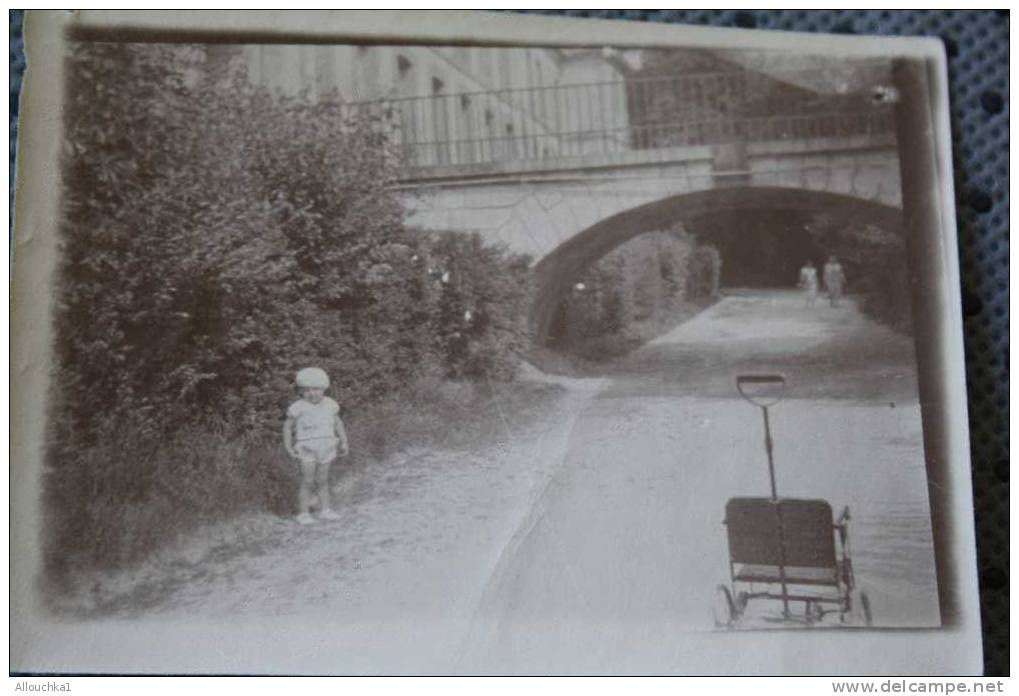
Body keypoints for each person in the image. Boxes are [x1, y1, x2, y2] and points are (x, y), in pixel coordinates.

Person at [283, 367, 349, 525]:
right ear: (301, 391)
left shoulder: (330, 404)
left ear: (323, 388)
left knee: (323, 480)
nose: (312, 393)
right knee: (307, 480)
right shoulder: (298, 407)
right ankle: (303, 513)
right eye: (306, 390)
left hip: (326, 446)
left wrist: (344, 441)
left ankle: (325, 509)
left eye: (316, 389)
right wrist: (288, 446)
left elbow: (337, 423)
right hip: (307, 448)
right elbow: (287, 426)